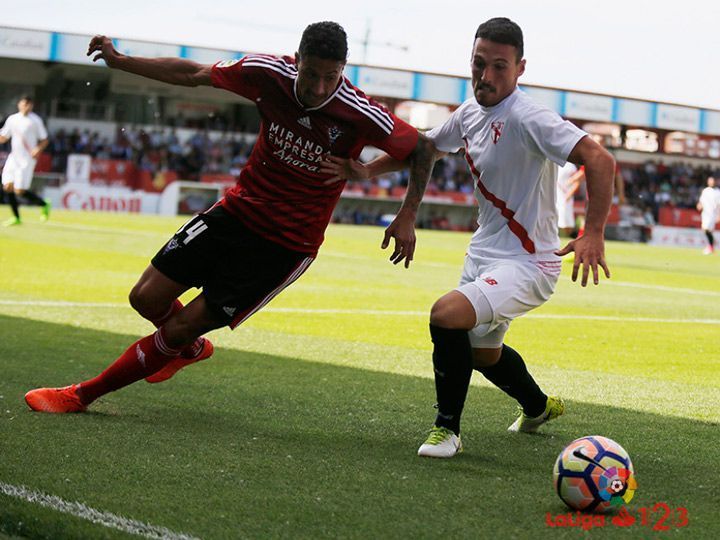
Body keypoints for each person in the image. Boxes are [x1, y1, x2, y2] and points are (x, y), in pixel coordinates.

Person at [24, 21, 435, 414]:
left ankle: (82, 395)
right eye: (311, 75)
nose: (319, 87)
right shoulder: (266, 73)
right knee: (145, 297)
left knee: (180, 326)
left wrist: (390, 196)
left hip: (284, 245)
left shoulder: (359, 111)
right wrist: (121, 60)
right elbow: (194, 73)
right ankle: (185, 350)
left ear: (343, 71)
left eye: (331, 77)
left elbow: (423, 149)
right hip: (236, 212)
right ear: (296, 60)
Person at [322, 17, 615, 458]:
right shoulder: (468, 113)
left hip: (529, 262)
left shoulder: (530, 116)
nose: (487, 75)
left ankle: (448, 430)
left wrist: (593, 232)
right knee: (483, 356)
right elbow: (424, 147)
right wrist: (369, 172)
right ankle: (538, 407)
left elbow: (600, 158)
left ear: (520, 69)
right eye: (479, 64)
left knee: (446, 314)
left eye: (500, 66)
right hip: (484, 253)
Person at [0, 96, 51, 226]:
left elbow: (45, 139)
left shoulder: (35, 121)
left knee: (19, 191)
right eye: (24, 104)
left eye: (29, 104)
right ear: (19, 105)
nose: (26, 107)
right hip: (14, 157)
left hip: (27, 159)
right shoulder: (13, 119)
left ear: (31, 106)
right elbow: (4, 137)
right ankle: (17, 218)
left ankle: (44, 204)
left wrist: (38, 149)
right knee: (7, 187)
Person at [556, 162, 585, 236]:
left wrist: (569, 193)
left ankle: (573, 235)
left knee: (566, 220)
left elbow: (578, 180)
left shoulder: (571, 166)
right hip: (556, 195)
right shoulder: (556, 163)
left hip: (566, 196)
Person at [696, 176, 719, 254]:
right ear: (708, 182)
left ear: (714, 182)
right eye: (710, 181)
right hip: (705, 213)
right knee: (705, 229)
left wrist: (719, 215)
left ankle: (711, 246)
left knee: (706, 229)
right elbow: (702, 200)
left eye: (712, 181)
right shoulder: (705, 191)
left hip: (712, 214)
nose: (711, 182)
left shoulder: (717, 192)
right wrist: (699, 205)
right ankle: (712, 244)